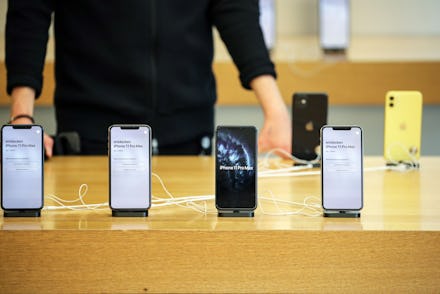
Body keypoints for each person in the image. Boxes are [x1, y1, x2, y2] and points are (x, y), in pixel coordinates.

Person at [6, 0, 291, 157]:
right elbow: (29, 11)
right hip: (93, 139)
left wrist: (275, 112)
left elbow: (234, 9)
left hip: (191, 142)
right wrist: (22, 119)